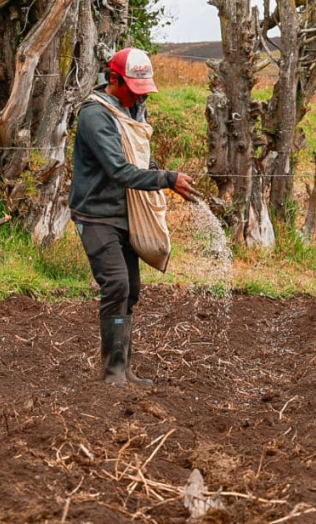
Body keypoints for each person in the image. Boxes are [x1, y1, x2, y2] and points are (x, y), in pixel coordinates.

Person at [69, 47, 196, 387]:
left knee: (132, 290)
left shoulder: (134, 109)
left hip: (128, 212)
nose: (138, 97)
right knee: (116, 284)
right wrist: (166, 179)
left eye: (142, 91)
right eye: (133, 89)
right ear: (114, 79)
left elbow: (141, 159)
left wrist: (160, 175)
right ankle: (112, 373)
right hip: (96, 213)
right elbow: (119, 170)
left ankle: (124, 370)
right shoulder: (96, 116)